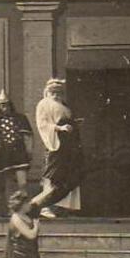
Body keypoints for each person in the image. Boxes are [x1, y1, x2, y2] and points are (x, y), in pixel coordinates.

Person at [31, 78, 82, 219]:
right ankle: (45, 206)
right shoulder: (44, 104)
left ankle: (63, 207)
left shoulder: (64, 106)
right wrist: (59, 128)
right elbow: (43, 124)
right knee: (54, 175)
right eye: (53, 92)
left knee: (69, 174)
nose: (56, 94)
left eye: (59, 92)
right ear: (47, 91)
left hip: (68, 144)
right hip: (56, 143)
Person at [0, 190, 59, 258]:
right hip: (21, 255)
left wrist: (48, 190)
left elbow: (36, 201)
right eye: (27, 203)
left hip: (30, 251)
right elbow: (30, 235)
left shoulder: (25, 213)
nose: (30, 204)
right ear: (22, 205)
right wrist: (36, 226)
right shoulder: (16, 217)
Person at [0, 89, 33, 194]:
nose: (4, 108)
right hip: (6, 155)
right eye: (2, 106)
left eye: (6, 105)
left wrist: (29, 151)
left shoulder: (21, 118)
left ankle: (23, 208)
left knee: (22, 183)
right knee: (9, 184)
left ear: (10, 105)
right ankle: (11, 208)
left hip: (20, 153)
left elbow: (28, 136)